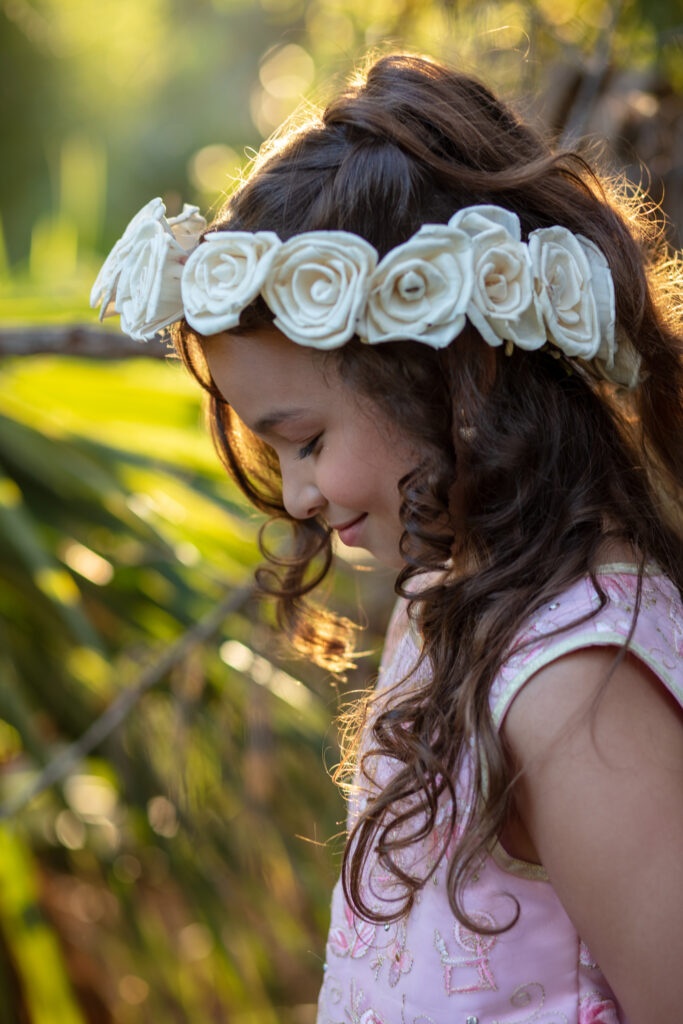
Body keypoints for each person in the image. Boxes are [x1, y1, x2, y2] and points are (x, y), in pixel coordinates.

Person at [91, 52, 683, 1023]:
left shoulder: (579, 682)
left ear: (462, 369)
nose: (298, 495)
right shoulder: (452, 599)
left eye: (306, 440)